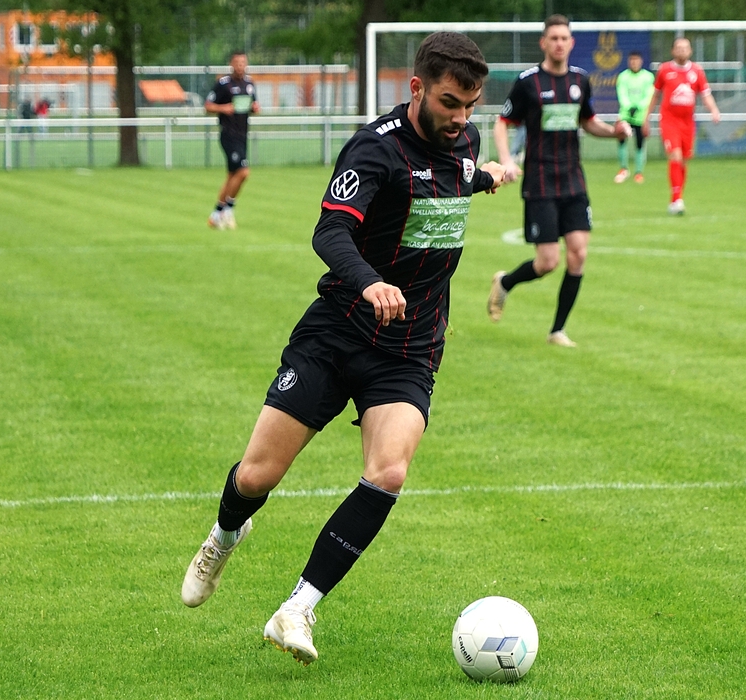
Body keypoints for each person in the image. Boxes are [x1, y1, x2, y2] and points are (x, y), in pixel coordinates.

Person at [181, 32, 505, 666]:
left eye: (471, 106)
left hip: (410, 346)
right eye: (449, 103)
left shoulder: (464, 143)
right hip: (337, 333)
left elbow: (447, 183)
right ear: (417, 88)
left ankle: (297, 608)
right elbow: (330, 231)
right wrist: (370, 282)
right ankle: (224, 534)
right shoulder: (374, 147)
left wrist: (486, 177)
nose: (461, 118)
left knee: (389, 471)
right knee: (257, 475)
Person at [486, 15, 631, 347]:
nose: (559, 43)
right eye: (553, 38)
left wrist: (614, 132)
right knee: (548, 262)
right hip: (540, 182)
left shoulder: (580, 80)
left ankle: (557, 331)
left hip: (573, 180)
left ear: (571, 43)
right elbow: (502, 122)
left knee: (578, 254)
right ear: (543, 43)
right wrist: (507, 160)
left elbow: (588, 121)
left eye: (564, 38)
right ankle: (505, 282)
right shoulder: (528, 83)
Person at [643, 37, 721, 215]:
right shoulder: (664, 70)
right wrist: (646, 118)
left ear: (690, 51)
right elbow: (655, 95)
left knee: (684, 160)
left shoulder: (697, 71)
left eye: (685, 48)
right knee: (675, 156)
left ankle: (676, 198)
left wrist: (714, 110)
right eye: (678, 48)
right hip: (669, 121)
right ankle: (677, 200)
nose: (682, 51)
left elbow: (705, 94)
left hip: (688, 122)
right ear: (673, 51)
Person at [205, 51, 260, 230]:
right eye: (237, 62)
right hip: (228, 134)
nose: (240, 65)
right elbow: (208, 106)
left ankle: (215, 216)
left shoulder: (249, 84)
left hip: (242, 134)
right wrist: (224, 108)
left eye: (243, 62)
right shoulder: (223, 84)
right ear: (231, 64)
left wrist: (254, 108)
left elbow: (252, 105)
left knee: (232, 176)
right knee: (243, 172)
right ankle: (227, 209)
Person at [614, 50, 654, 184]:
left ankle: (638, 172)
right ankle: (623, 168)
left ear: (641, 61)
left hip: (640, 115)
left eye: (636, 60)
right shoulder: (623, 76)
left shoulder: (648, 77)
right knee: (621, 139)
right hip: (626, 113)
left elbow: (649, 95)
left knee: (640, 142)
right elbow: (622, 93)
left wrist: (638, 107)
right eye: (632, 60)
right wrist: (628, 106)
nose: (634, 63)